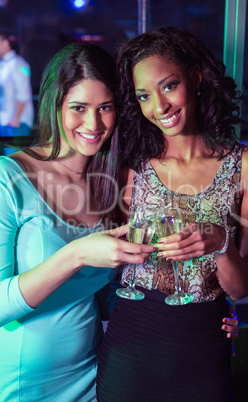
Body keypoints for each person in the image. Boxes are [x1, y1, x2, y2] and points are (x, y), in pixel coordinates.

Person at [96, 27, 248, 401]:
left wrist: (221, 242)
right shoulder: (131, 165)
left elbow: (240, 288)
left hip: (202, 343)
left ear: (197, 77)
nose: (159, 106)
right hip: (131, 339)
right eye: (144, 95)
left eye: (169, 85)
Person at [0, 42, 154, 402]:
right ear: (54, 105)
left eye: (105, 108)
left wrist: (214, 312)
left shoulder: (115, 183)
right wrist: (76, 254)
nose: (93, 124)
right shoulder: (10, 178)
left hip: (95, 373)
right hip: (24, 383)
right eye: (78, 108)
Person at [0, 31, 34, 156]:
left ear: (5, 42)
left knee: (14, 159)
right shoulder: (3, 65)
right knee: (5, 160)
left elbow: (23, 94)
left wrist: (16, 119)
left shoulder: (18, 64)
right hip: (5, 121)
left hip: (17, 123)